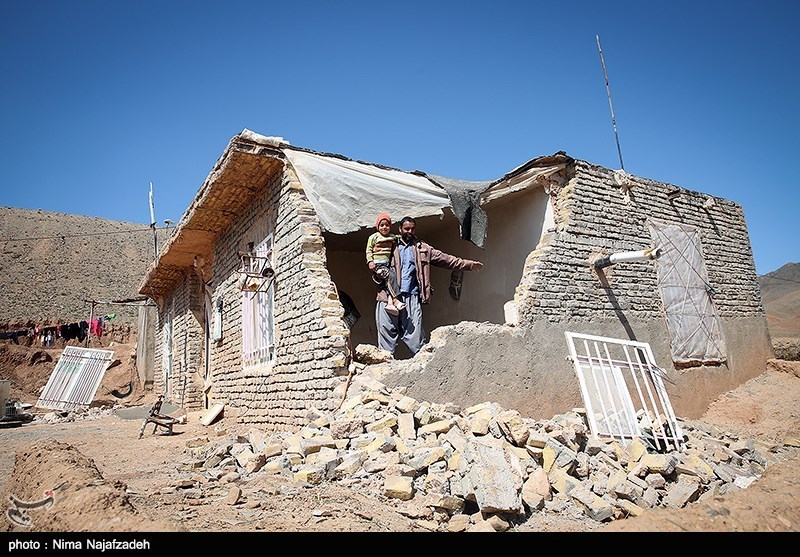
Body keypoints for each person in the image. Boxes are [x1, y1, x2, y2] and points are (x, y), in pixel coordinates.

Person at [374, 215, 483, 356]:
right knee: (386, 338)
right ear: (400, 229)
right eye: (406, 228)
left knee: (416, 341)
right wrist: (377, 273)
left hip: (412, 298)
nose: (409, 231)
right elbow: (375, 260)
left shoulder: (423, 248)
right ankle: (384, 370)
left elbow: (446, 259)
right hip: (388, 296)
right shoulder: (389, 244)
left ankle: (422, 371)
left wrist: (468, 265)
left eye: (412, 229)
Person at [366, 213, 405, 316]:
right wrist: (370, 261)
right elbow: (369, 250)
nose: (384, 227)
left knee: (389, 283)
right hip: (378, 264)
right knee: (390, 277)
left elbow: (400, 238)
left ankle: (390, 303)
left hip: (386, 264)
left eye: (387, 225)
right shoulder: (374, 237)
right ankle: (396, 300)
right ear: (378, 226)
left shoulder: (392, 237)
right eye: (382, 225)